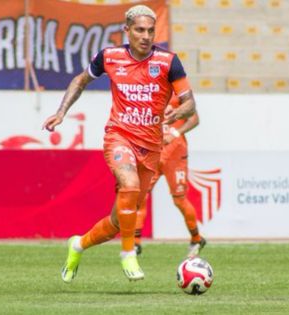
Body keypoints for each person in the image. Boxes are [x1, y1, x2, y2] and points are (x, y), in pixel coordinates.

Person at [42, 5, 196, 282]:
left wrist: (178, 113)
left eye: (150, 30)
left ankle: (77, 245)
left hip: (151, 147)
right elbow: (80, 80)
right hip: (119, 136)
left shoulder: (168, 62)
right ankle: (128, 254)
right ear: (126, 31)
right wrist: (62, 111)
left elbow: (190, 104)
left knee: (115, 223)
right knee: (130, 184)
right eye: (139, 30)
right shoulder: (109, 56)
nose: (146, 35)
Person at [134, 94, 206, 258]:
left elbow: (194, 119)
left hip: (175, 153)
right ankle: (135, 244)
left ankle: (196, 238)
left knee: (179, 199)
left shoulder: (179, 91)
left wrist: (174, 133)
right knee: (141, 196)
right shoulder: (147, 89)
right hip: (153, 152)